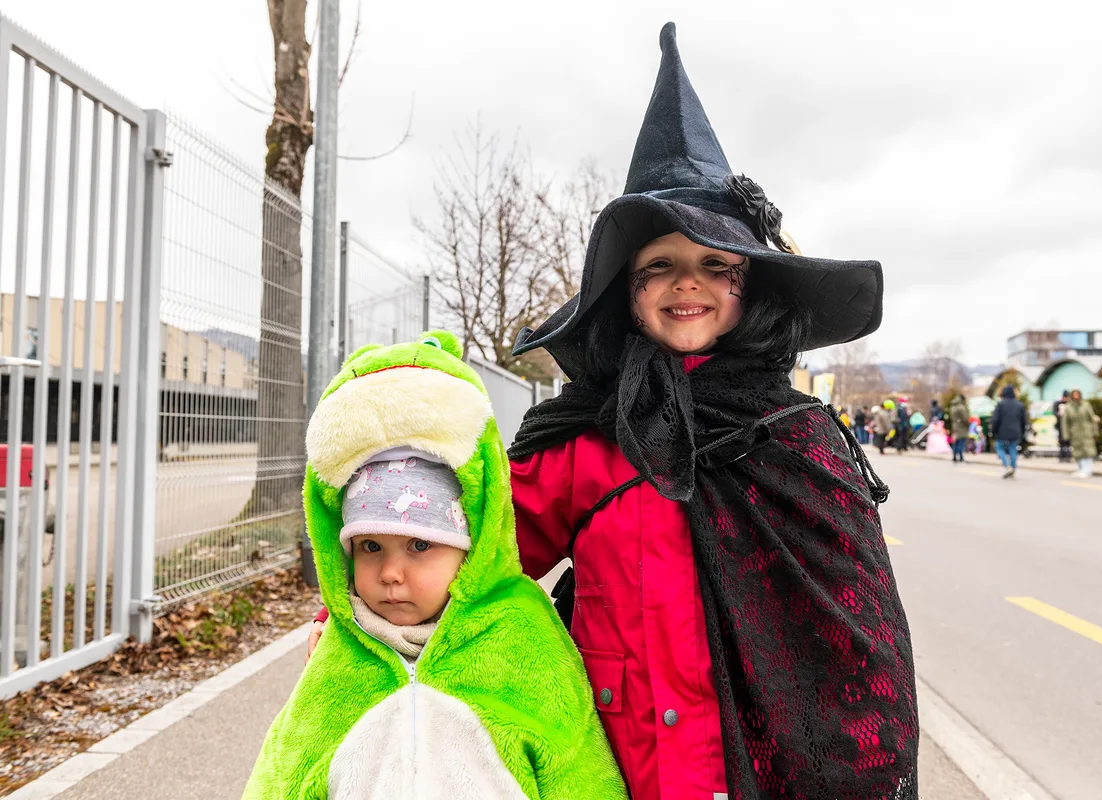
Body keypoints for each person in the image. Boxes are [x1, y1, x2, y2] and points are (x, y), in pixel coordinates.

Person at [311, 23, 919, 800]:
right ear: (625, 292)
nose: (685, 283)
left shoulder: (800, 441)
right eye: (659, 264)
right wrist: (355, 618)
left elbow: (856, 638)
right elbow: (479, 537)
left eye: (714, 265)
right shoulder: (590, 441)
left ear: (750, 285)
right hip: (622, 771)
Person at [252, 334, 626, 799]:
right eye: (369, 546)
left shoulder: (523, 640)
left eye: (419, 545)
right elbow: (285, 771)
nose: (390, 572)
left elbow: (576, 767)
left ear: (470, 547)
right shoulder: (342, 656)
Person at [991, 385, 1027, 479]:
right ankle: (1013, 469)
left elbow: (995, 420)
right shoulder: (1019, 405)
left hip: (1002, 432)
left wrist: (993, 431)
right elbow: (1023, 421)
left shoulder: (1000, 404)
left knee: (1000, 448)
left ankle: (1008, 466)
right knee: (1013, 450)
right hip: (1016, 432)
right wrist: (1022, 433)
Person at [1063, 389, 1100, 478]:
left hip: (1086, 431)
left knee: (1087, 451)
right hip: (1075, 432)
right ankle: (1080, 469)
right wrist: (1066, 434)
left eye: (1077, 394)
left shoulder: (1086, 405)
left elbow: (1092, 419)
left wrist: (1095, 431)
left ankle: (1087, 470)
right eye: (1074, 394)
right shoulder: (1068, 407)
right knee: (1077, 451)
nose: (1076, 396)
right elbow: (1065, 422)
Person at [949, 394, 970, 463]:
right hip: (962, 427)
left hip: (954, 426)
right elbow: (965, 418)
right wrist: (968, 424)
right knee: (961, 442)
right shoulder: (961, 407)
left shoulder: (953, 406)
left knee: (956, 442)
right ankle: (961, 457)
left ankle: (954, 456)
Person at [1053, 390, 1071, 463]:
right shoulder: (1058, 403)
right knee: (1061, 442)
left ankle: (1068, 456)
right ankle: (1061, 456)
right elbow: (1054, 412)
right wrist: (1059, 415)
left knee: (1068, 442)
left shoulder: (1069, 404)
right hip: (1060, 425)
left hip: (1068, 426)